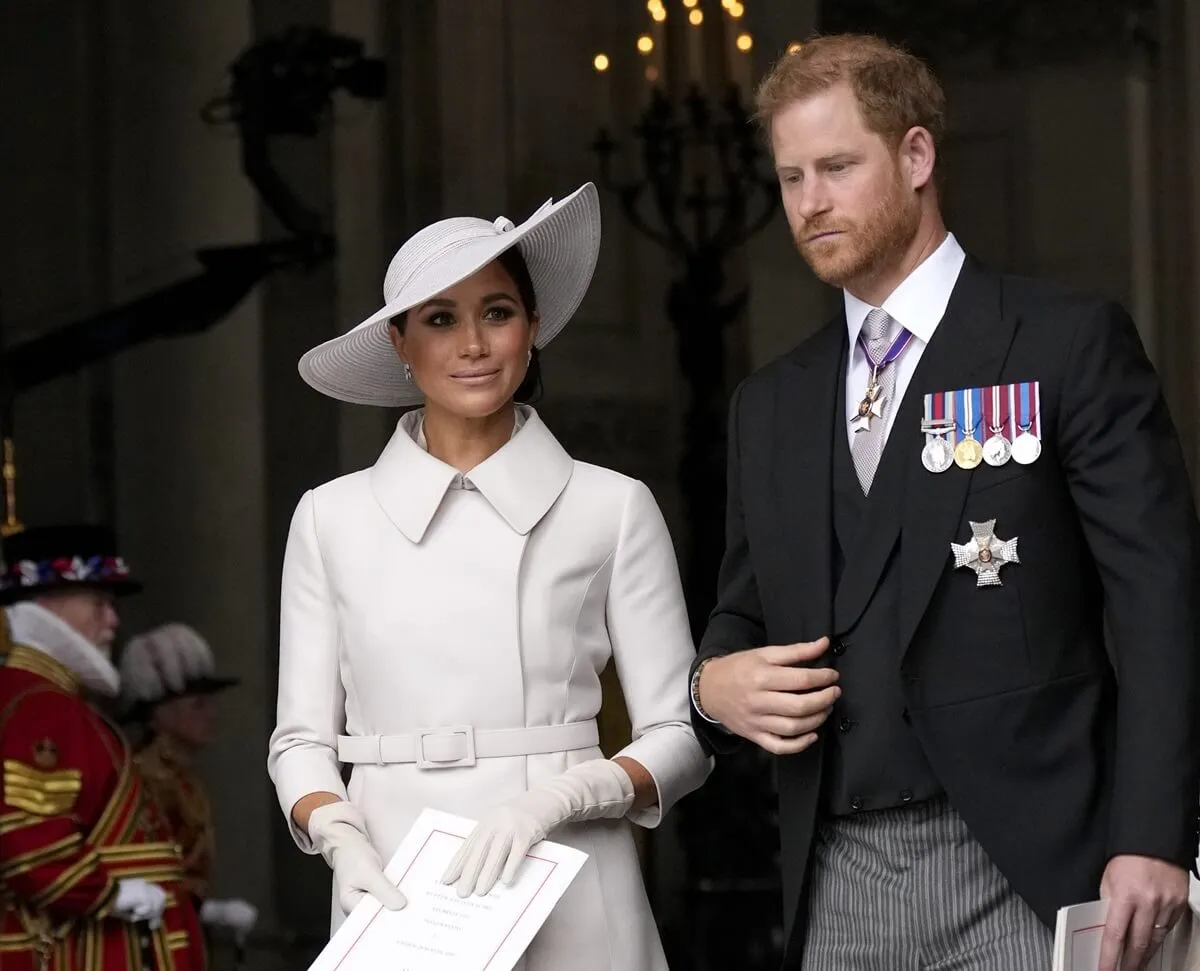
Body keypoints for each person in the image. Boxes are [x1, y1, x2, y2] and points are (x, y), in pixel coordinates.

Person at [689, 33, 1200, 971]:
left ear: (917, 156)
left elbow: (1160, 598)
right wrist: (707, 688)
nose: (811, 202)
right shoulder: (769, 404)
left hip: (1032, 862)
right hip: (836, 872)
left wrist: (1157, 833)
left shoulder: (1064, 343)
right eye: (792, 176)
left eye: (839, 166)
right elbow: (741, 616)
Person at [267, 182, 711, 970]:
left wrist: (568, 795)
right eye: (440, 318)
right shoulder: (329, 517)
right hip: (397, 885)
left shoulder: (612, 506)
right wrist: (336, 834)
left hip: (571, 868)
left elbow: (681, 735)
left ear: (533, 328)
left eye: (497, 312)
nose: (472, 342)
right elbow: (299, 739)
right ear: (400, 342)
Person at [0, 524, 206, 970]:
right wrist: (108, 893)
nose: (113, 620)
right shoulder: (37, 706)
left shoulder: (51, 702)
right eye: (99, 603)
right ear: (44, 603)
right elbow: (27, 840)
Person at [118, 622, 259, 946]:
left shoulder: (182, 777)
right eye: (198, 704)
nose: (212, 713)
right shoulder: (145, 779)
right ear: (158, 712)